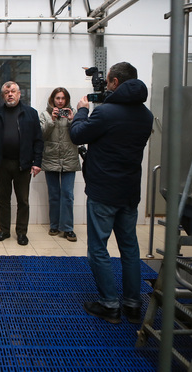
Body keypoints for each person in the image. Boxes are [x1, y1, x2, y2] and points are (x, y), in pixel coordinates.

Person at [70, 62, 153, 324]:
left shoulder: (106, 112)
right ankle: (133, 304)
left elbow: (77, 135)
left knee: (98, 249)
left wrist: (82, 111)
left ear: (115, 82)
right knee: (130, 249)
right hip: (129, 191)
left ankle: (109, 304)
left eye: (108, 81)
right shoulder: (146, 115)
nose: (105, 85)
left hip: (104, 191)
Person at [0, 81, 43, 246]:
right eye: (7, 92)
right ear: (3, 96)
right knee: (3, 200)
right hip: (2, 163)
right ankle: (4, 231)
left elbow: (38, 140)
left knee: (23, 200)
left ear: (19, 94)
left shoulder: (30, 113)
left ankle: (21, 233)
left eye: (13, 91)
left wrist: (37, 162)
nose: (10, 94)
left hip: (24, 164)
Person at [39, 87, 81, 242]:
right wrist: (52, 120)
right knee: (54, 195)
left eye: (63, 98)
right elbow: (41, 135)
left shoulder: (73, 114)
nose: (60, 101)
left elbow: (79, 135)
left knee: (68, 195)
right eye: (58, 98)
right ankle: (54, 225)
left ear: (67, 100)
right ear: (52, 99)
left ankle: (68, 228)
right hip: (51, 158)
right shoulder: (45, 114)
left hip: (69, 159)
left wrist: (71, 121)